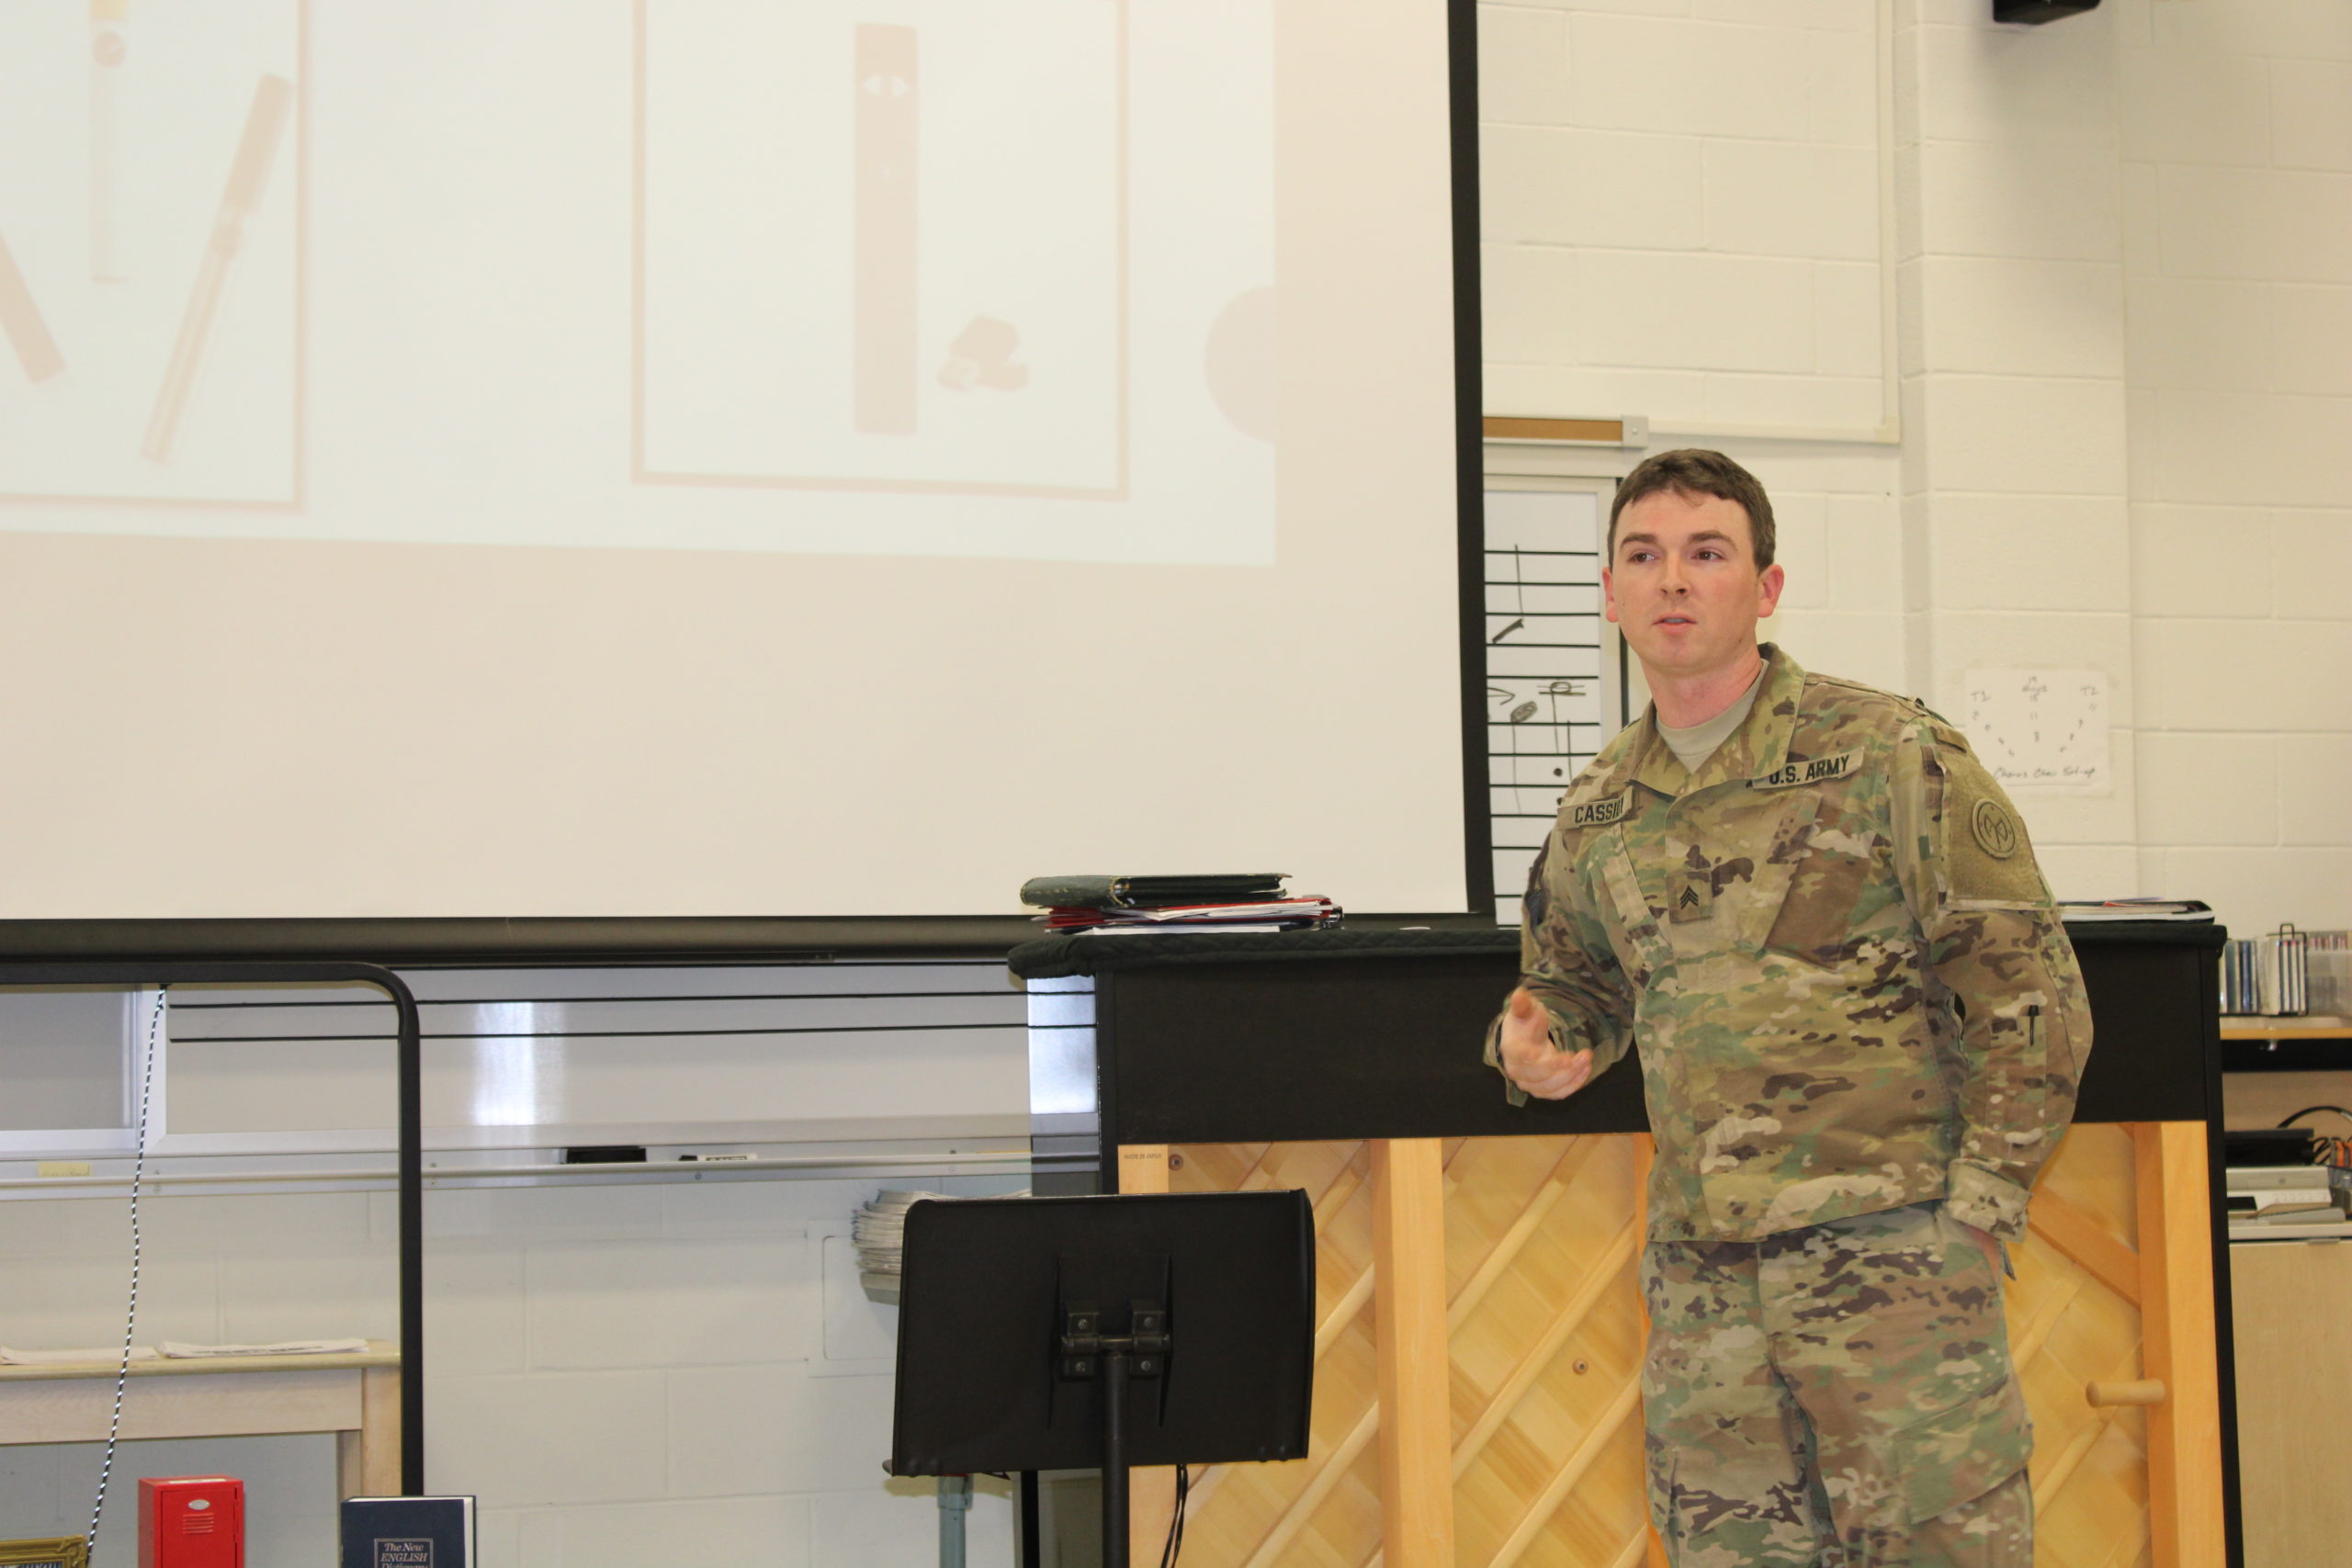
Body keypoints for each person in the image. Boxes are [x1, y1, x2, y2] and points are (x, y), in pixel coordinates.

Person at [1487, 449, 2089, 1567]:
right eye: (1643, 555)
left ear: (1763, 588)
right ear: (1609, 593)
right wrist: (1542, 1041)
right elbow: (1576, 983)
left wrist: (1981, 1206)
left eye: (1706, 553)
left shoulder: (1887, 754)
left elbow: (2026, 986)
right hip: (1706, 1284)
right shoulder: (1598, 810)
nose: (1672, 580)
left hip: (1896, 1267)